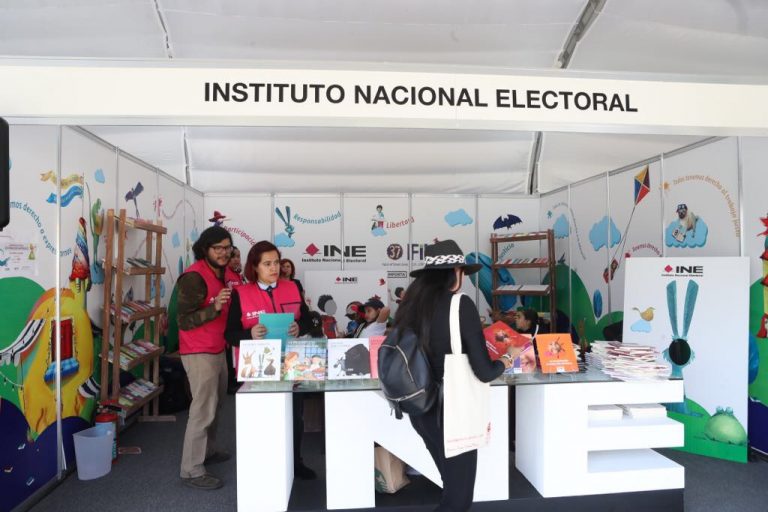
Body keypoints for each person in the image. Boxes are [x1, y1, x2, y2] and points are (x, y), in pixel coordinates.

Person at [392, 240, 511, 511]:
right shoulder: (461, 305)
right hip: (452, 412)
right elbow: (484, 371)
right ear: (455, 272)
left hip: (420, 410)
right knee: (458, 501)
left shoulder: (411, 306)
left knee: (451, 488)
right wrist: (506, 359)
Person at [224, 240, 316, 480]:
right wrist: (249, 334)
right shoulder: (241, 294)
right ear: (255, 267)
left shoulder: (293, 287)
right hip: (258, 365)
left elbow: (308, 320)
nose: (274, 267)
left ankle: (296, 463)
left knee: (295, 415)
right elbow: (229, 334)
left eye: (276, 262)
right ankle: (266, 465)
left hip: (293, 361)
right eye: (267, 263)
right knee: (263, 417)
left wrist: (300, 326)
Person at [176, 226, 243, 490]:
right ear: (206, 249)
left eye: (227, 247)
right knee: (202, 410)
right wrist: (214, 308)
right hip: (198, 351)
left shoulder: (225, 274)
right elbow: (183, 320)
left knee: (216, 406)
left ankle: (208, 451)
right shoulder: (193, 278)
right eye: (218, 248)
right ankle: (191, 470)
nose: (224, 252)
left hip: (218, 348)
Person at [225, 246, 246, 394]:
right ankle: (230, 382)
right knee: (229, 351)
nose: (236, 259)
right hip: (227, 319)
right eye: (233, 256)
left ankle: (236, 379)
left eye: (238, 256)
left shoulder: (238, 275)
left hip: (239, 318)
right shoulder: (224, 274)